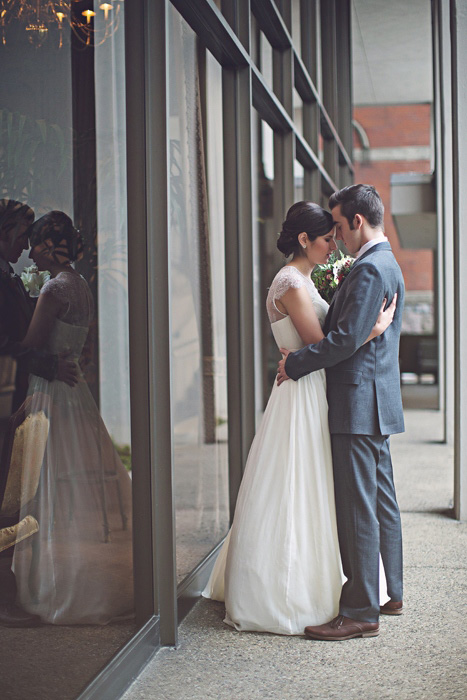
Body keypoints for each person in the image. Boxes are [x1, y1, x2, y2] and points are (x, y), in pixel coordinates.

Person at [203, 201, 395, 635]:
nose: (334, 244)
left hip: (312, 387)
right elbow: (321, 342)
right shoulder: (289, 281)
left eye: (335, 235)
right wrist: (373, 329)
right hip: (302, 393)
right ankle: (287, 593)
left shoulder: (306, 279)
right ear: (304, 240)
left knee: (315, 486)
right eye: (327, 238)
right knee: (297, 484)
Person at [277, 185, 405, 641]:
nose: (335, 238)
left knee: (358, 508)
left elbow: (345, 339)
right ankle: (393, 592)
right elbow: (354, 333)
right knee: (382, 500)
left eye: (337, 227)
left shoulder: (370, 269)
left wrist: (293, 364)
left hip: (357, 402)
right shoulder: (384, 262)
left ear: (355, 221)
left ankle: (360, 612)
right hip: (377, 398)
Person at [11, 211, 133, 625]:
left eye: (36, 243)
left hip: (48, 390)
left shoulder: (52, 289)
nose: (29, 250)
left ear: (49, 245)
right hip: (74, 387)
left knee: (39, 486)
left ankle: (49, 586)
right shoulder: (79, 285)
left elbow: (29, 342)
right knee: (57, 484)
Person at [0, 199, 77, 628]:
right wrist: (48, 366)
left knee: (13, 495)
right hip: (6, 397)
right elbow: (6, 341)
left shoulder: (9, 276)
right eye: (20, 236)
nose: (25, 247)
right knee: (5, 498)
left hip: (14, 399)